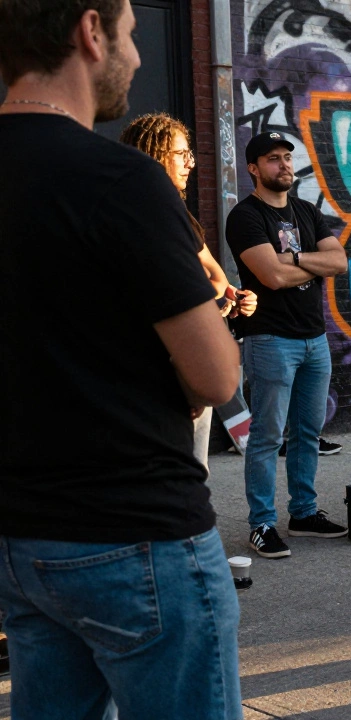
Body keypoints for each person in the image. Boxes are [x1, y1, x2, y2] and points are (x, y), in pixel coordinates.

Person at [0, 0, 244, 714]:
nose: (137, 58)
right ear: (90, 30)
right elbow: (216, 375)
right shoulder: (124, 181)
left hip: (22, 542)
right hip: (137, 536)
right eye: (132, 36)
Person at [225, 131, 350, 559]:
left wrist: (293, 260)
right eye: (273, 159)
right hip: (270, 339)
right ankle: (261, 523)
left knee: (308, 434)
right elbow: (271, 278)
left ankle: (304, 512)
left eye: (287, 157)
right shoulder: (245, 217)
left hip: (315, 340)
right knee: (267, 436)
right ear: (254, 169)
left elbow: (339, 262)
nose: (284, 165)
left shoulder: (307, 212)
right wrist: (307, 267)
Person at [119, 112, 260, 471]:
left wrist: (231, 297)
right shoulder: (144, 216)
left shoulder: (176, 212)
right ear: (153, 154)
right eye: (181, 153)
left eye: (190, 154)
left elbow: (215, 276)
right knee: (176, 475)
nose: (190, 163)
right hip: (166, 368)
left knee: (192, 472)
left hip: (184, 360)